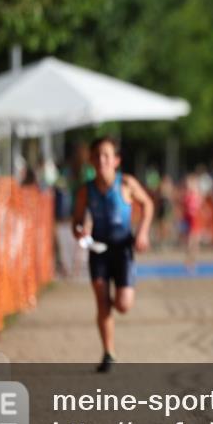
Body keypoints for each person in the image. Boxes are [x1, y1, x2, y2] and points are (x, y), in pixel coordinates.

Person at [72, 136, 154, 372]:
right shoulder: (85, 191)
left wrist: (142, 233)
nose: (102, 160)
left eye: (106, 155)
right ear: (91, 160)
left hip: (123, 250)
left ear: (116, 160)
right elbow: (76, 222)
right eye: (97, 156)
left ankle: (115, 301)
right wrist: (80, 231)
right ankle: (108, 352)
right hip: (98, 250)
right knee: (101, 302)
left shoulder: (126, 183)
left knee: (123, 305)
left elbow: (148, 204)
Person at [181, 173, 204, 269]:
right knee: (189, 241)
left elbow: (200, 208)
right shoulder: (187, 196)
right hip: (189, 220)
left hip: (196, 220)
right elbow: (184, 209)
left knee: (196, 241)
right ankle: (189, 260)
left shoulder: (197, 196)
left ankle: (193, 260)